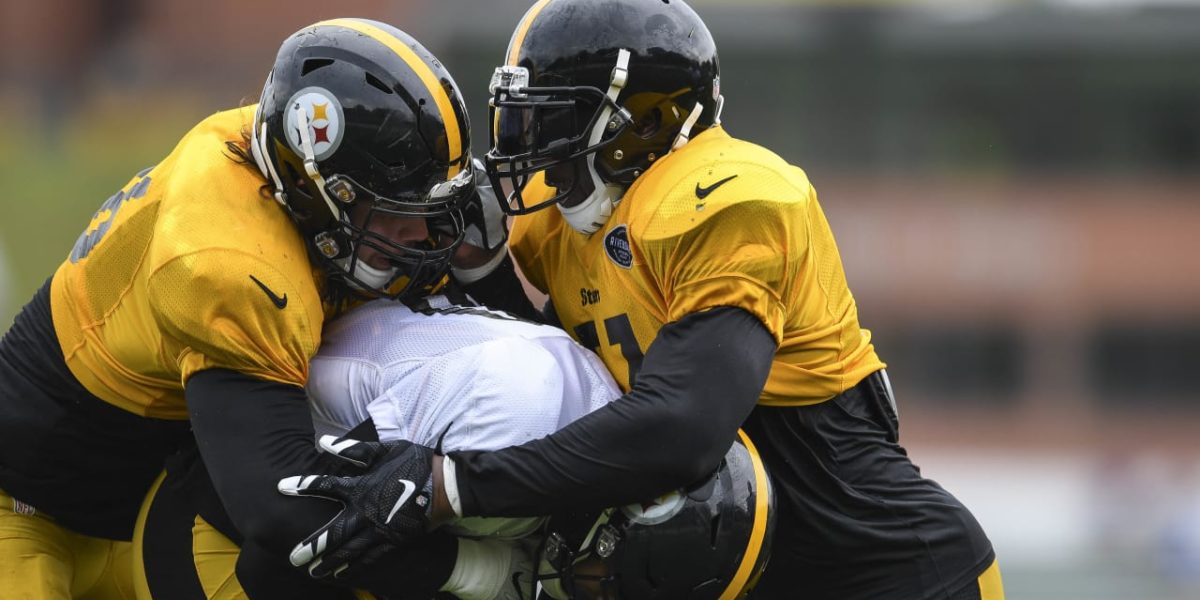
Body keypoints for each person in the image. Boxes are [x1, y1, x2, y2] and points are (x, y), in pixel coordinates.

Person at [282, 2, 1005, 600]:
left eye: (554, 121)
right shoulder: (570, 220)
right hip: (729, 573)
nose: (530, 147)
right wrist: (485, 270)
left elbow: (680, 431)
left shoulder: (731, 196)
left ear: (648, 124)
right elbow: (570, 372)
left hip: (891, 573)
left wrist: (448, 486)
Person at [0, 18, 508, 600]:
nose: (421, 232)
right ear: (320, 190)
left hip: (158, 488)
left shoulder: (293, 165)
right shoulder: (227, 259)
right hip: (30, 511)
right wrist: (484, 570)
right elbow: (280, 508)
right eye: (393, 207)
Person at [137, 296, 774, 600]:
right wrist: (482, 574)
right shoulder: (521, 422)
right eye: (613, 591)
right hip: (202, 511)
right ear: (617, 534)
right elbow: (283, 549)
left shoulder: (584, 409)